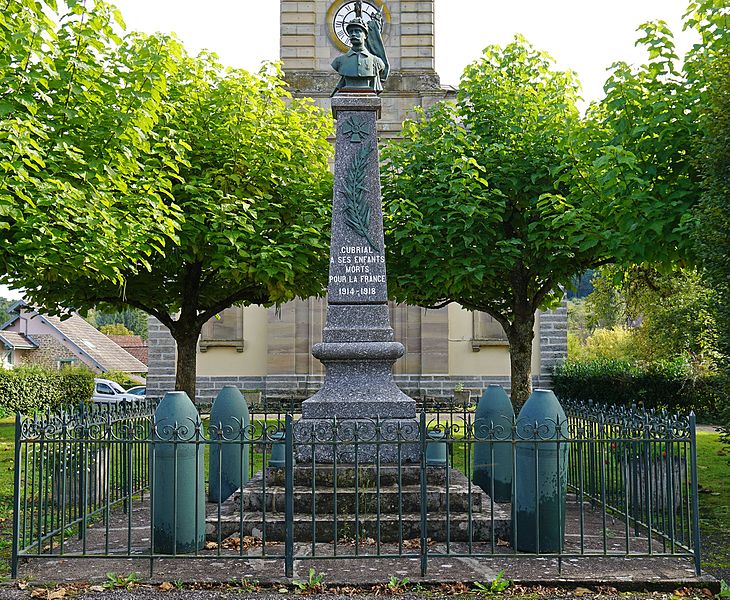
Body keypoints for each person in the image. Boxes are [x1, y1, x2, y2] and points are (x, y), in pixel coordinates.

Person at [331, 16, 388, 94]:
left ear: (365, 35)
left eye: (358, 31)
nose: (353, 34)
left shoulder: (376, 61)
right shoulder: (339, 61)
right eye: (351, 32)